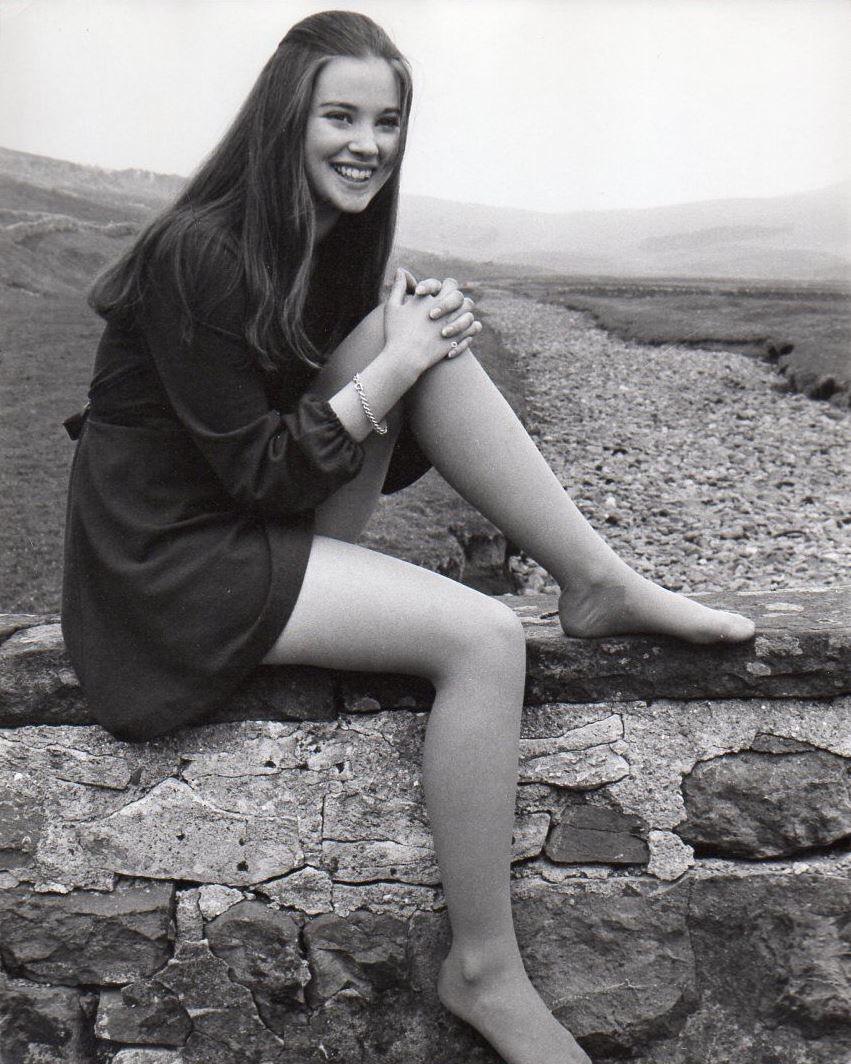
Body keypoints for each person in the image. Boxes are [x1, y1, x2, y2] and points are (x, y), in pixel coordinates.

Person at [62, 11, 756, 1064]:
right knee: (483, 636)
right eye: (339, 115)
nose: (366, 143)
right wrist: (391, 368)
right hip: (168, 565)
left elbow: (365, 447)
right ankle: (484, 968)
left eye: (386, 122)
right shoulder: (197, 252)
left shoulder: (325, 244)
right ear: (282, 122)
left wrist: (412, 349)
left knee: (419, 342)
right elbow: (260, 467)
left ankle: (595, 576)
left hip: (242, 521)